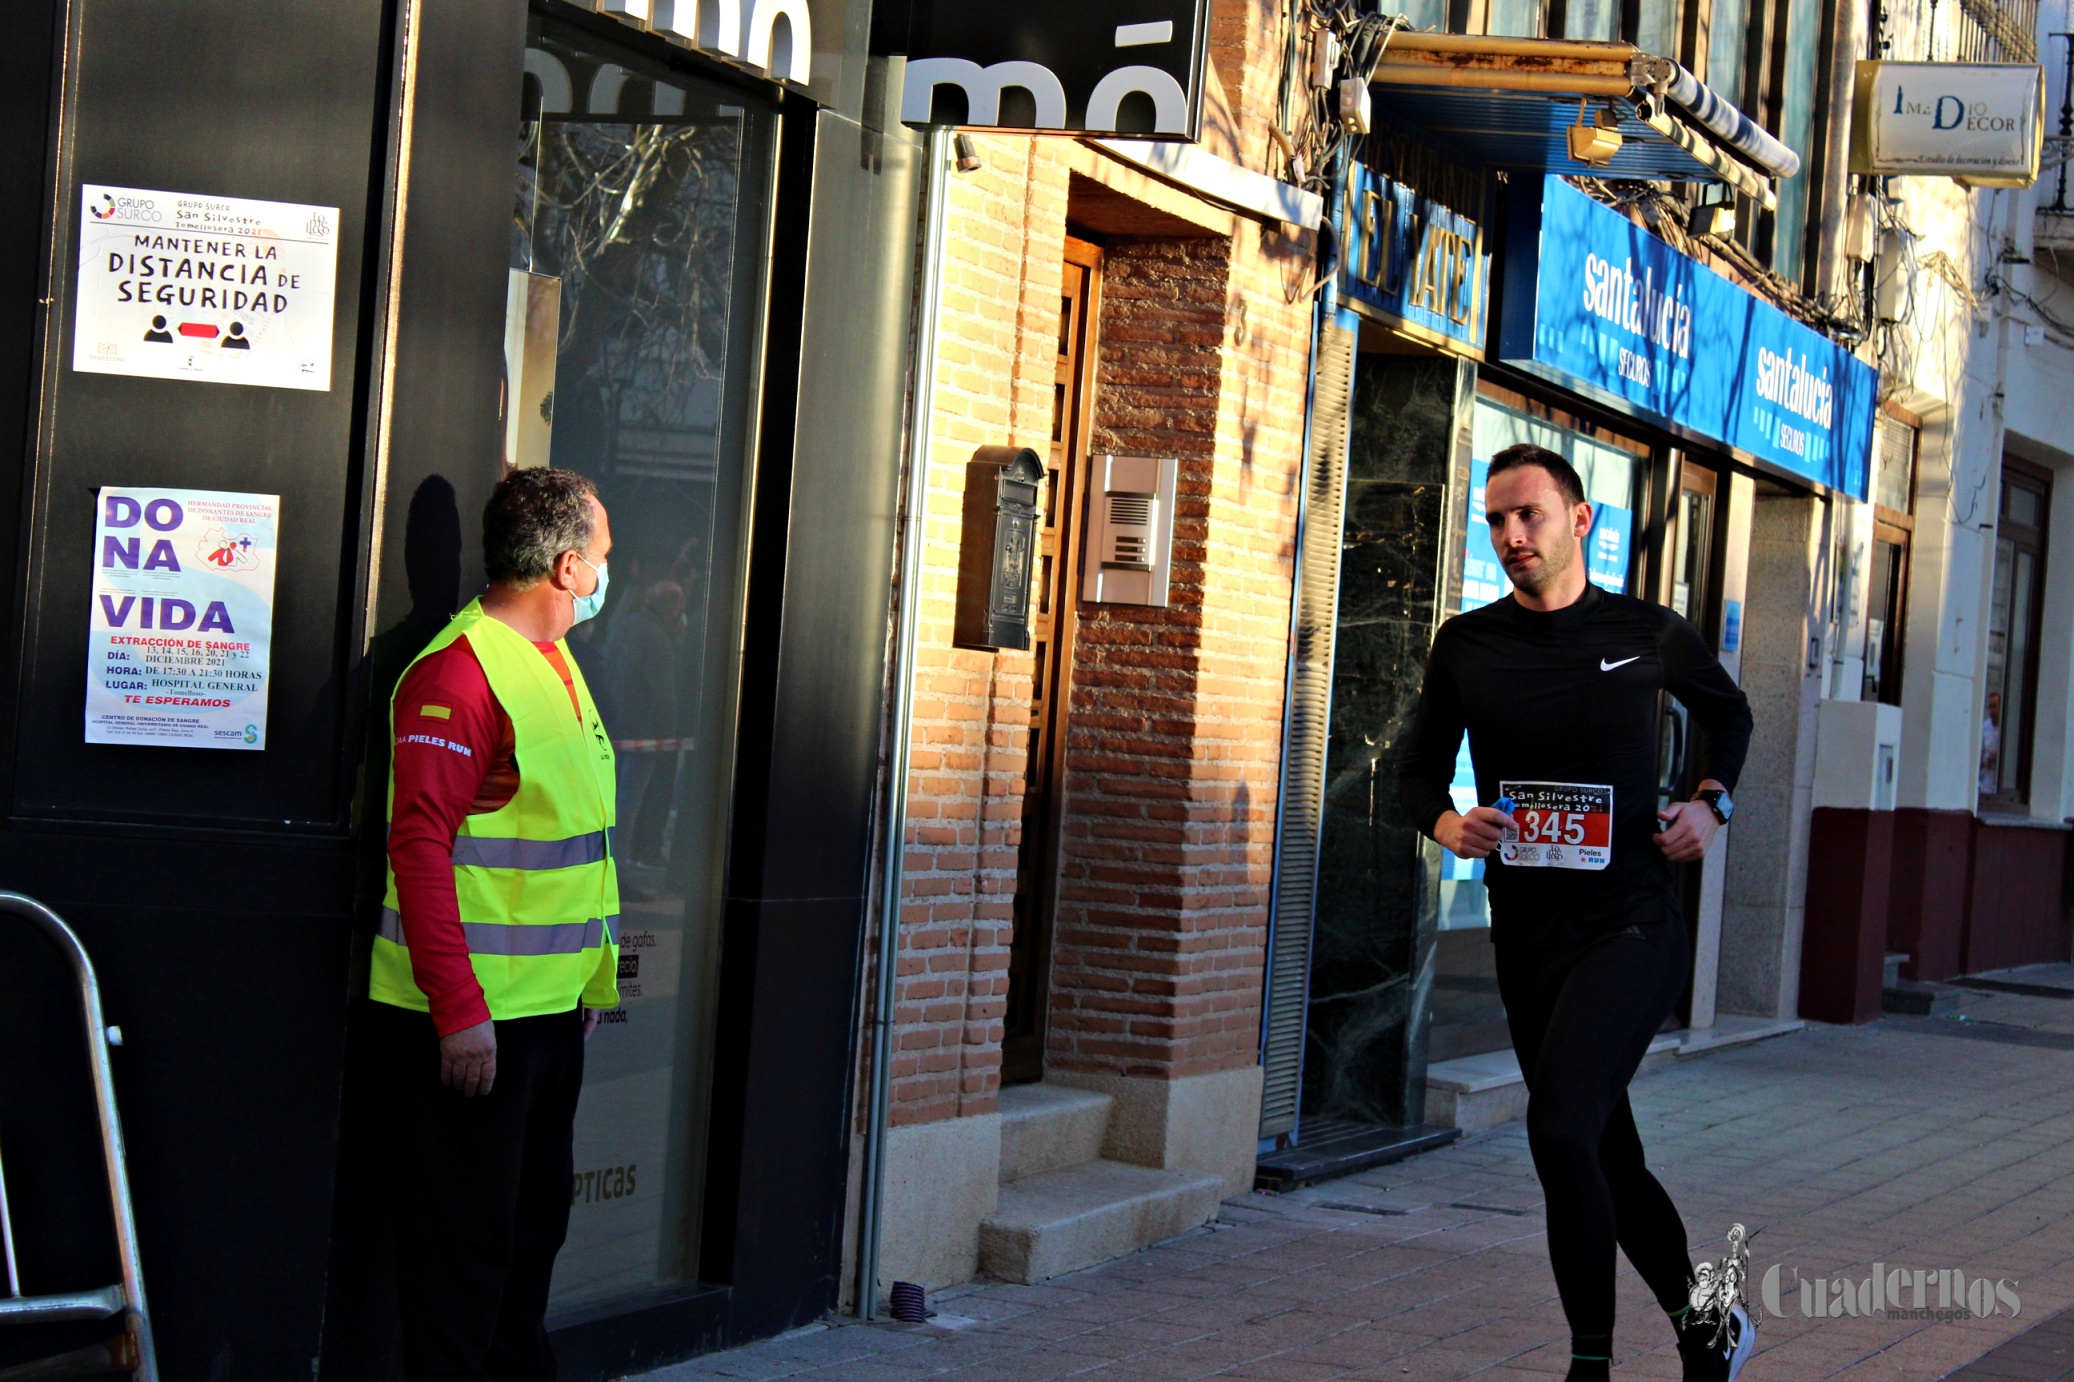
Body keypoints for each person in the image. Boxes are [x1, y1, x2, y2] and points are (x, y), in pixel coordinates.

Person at [1399, 444, 1756, 1382]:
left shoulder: (1649, 632)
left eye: (1530, 516)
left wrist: (1709, 805)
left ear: (1581, 520)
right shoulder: (1468, 645)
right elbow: (1413, 773)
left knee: (1559, 1126)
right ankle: (1706, 1325)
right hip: (1527, 933)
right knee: (1602, 1143)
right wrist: (1450, 823)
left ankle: (1588, 1367)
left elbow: (1732, 716)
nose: (1512, 536)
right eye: (1497, 521)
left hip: (1633, 922)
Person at [368, 466, 620, 1381]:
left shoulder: (552, 664)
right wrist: (459, 1009)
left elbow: (572, 852)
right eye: (600, 556)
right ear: (565, 567)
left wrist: (592, 987)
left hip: (547, 1017)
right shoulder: (458, 673)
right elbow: (419, 847)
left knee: (527, 1240)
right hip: (472, 1029)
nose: (605, 572)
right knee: (463, 1264)